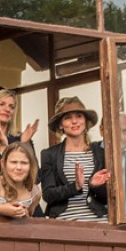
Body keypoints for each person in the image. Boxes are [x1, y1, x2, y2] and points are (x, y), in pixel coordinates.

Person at [37, 94, 108, 222]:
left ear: (85, 121)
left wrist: (94, 186)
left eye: (79, 116)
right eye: (68, 118)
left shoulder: (101, 153)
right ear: (60, 125)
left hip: (100, 223)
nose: (74, 121)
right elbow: (48, 195)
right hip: (65, 224)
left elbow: (109, 197)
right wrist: (75, 187)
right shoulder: (49, 154)